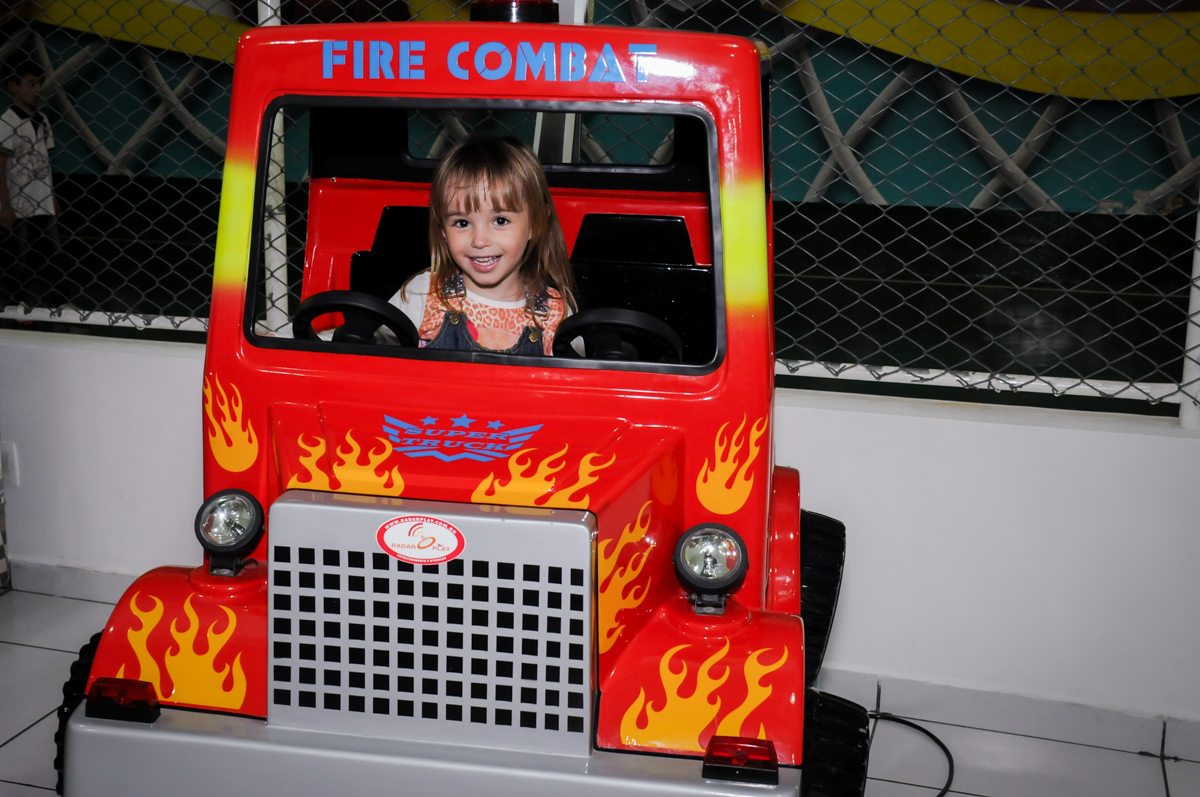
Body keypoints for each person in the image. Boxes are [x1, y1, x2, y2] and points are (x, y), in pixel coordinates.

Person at [391, 135, 575, 355]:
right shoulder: (424, 293)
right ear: (443, 230)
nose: (479, 241)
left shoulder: (556, 313)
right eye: (462, 223)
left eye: (500, 221)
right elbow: (367, 345)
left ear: (536, 223)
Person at [0, 61, 67, 310]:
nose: (36, 89)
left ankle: (61, 301)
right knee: (18, 256)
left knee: (54, 253)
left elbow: (45, 163)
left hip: (42, 198)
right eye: (29, 84)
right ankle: (14, 303)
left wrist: (53, 197)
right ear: (13, 87)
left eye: (38, 83)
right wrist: (5, 205)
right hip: (17, 201)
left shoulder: (43, 119)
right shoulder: (7, 122)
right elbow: (0, 166)